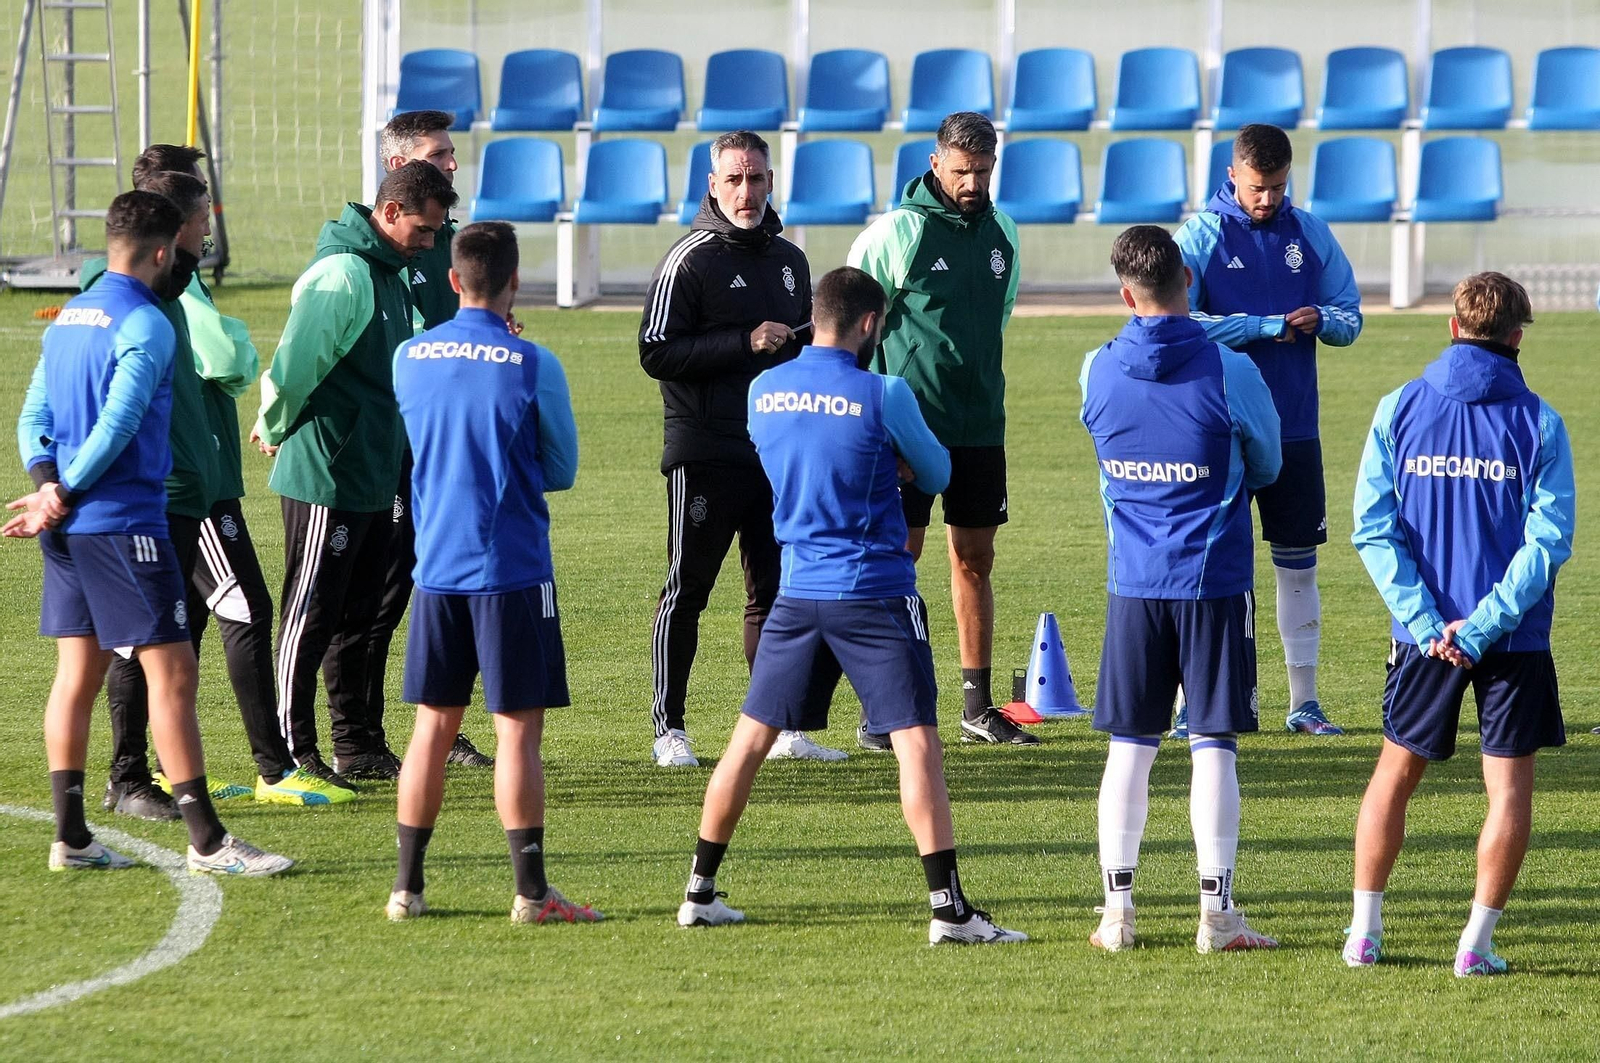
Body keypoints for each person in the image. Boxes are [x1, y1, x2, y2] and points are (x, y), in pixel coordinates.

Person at [676, 266, 1025, 946]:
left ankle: (699, 890)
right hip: (874, 589)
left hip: (797, 590)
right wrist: (892, 460)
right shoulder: (884, 391)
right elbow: (940, 473)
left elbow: (790, 454)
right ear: (869, 324)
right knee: (916, 742)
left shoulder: (764, 389)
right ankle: (949, 909)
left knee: (748, 740)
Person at [8, 189, 291, 876]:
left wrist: (49, 488)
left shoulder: (68, 317)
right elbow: (121, 420)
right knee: (174, 672)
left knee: (76, 673)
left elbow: (32, 416)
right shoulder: (149, 323)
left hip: (68, 526)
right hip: (123, 524)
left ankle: (72, 835)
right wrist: (68, 490)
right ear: (163, 251)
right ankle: (208, 841)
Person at [99, 152, 347, 812]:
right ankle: (254, 768)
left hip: (199, 484)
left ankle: (151, 770)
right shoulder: (143, 299)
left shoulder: (174, 290)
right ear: (174, 226)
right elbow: (226, 358)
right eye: (203, 218)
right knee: (196, 619)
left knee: (172, 631)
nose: (210, 232)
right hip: (174, 493)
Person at [1347, 272, 1573, 977]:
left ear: (1451, 328)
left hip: (1424, 638)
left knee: (1394, 774)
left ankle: (1364, 933)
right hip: (1513, 639)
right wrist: (1482, 626)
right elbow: (1548, 543)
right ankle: (1475, 944)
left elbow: (1372, 529)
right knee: (1507, 790)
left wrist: (1425, 619)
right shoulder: (1540, 422)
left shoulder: (1398, 407)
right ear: (1516, 337)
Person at [388, 221, 597, 923]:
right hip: (511, 568)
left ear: (454, 280)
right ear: (514, 283)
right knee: (516, 735)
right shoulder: (533, 362)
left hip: (436, 569)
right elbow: (561, 470)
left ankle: (406, 888)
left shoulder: (409, 356)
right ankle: (531, 893)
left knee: (431, 729)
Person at [1079, 226, 1281, 954]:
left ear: (1126, 293)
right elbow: (1267, 461)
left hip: (1132, 582)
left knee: (1130, 745)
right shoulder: (1231, 370)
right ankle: (1217, 914)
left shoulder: (1096, 369)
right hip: (1213, 580)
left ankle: (1117, 913)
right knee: (1212, 744)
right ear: (1188, 281)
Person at [640, 129, 844, 767]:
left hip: (779, 450)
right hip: (706, 449)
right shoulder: (689, 260)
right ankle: (669, 729)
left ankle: (782, 727)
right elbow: (656, 352)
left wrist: (804, 340)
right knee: (688, 587)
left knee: (777, 592)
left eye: (756, 178)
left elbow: (796, 344)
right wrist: (743, 342)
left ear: (772, 181)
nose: (746, 191)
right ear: (712, 184)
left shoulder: (791, 259)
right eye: (734, 180)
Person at [253, 161, 457, 788]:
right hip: (329, 473)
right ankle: (290, 757)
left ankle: (354, 748)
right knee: (309, 617)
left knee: (359, 616)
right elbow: (295, 363)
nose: (430, 242)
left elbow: (416, 355)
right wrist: (274, 421)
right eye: (424, 229)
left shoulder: (392, 275)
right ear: (390, 212)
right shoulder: (344, 275)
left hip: (372, 469)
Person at [847, 111, 1034, 749]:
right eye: (961, 171)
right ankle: (882, 709)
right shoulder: (896, 234)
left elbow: (998, 321)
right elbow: (853, 331)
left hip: (981, 423)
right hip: (906, 426)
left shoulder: (1004, 233)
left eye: (983, 171)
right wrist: (872, 419)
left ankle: (977, 706)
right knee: (896, 559)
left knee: (975, 559)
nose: (973, 183)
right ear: (935, 164)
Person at [1175, 123, 1363, 738]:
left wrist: (1323, 321)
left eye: (1278, 187)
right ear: (1232, 175)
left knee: (1298, 563)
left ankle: (1304, 702)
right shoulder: (1199, 238)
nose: (1268, 199)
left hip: (1294, 426)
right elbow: (1179, 324)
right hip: (1217, 428)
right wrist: (1261, 326)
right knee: (1200, 566)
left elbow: (1350, 316)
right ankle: (1189, 705)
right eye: (1258, 187)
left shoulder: (1309, 232)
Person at [342, 111, 494, 777]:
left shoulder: (446, 238)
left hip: (448, 445)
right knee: (385, 590)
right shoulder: (379, 252)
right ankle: (359, 739)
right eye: (439, 155)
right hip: (396, 445)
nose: (453, 165)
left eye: (453, 154)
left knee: (444, 587)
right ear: (400, 168)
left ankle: (442, 725)